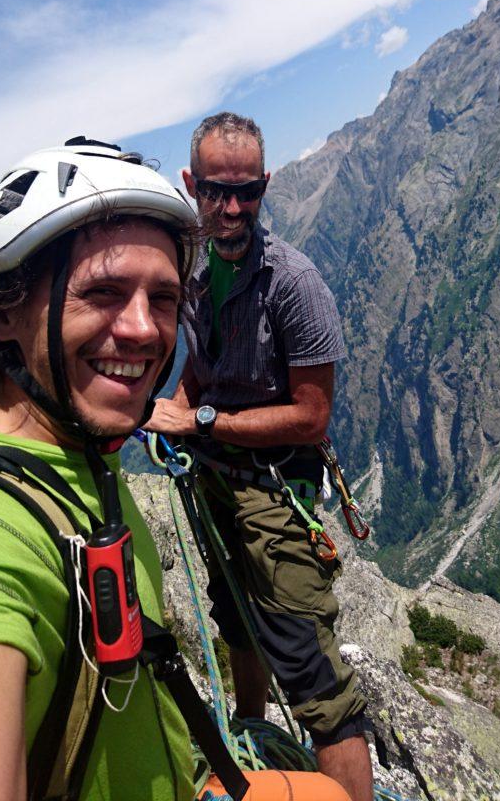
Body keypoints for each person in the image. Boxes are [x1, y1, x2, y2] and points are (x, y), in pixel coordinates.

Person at [0, 137, 198, 801]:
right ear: (3, 312)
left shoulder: (72, 451)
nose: (144, 329)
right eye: (103, 292)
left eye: (164, 299)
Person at [151, 113, 374, 801]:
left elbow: (313, 417)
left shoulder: (292, 282)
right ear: (192, 185)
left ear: (265, 185)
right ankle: (251, 737)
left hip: (276, 486)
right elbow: (200, 358)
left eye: (247, 192)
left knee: (313, 676)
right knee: (235, 615)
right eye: (217, 191)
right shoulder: (192, 267)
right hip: (218, 472)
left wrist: (203, 418)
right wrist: (182, 409)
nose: (232, 208)